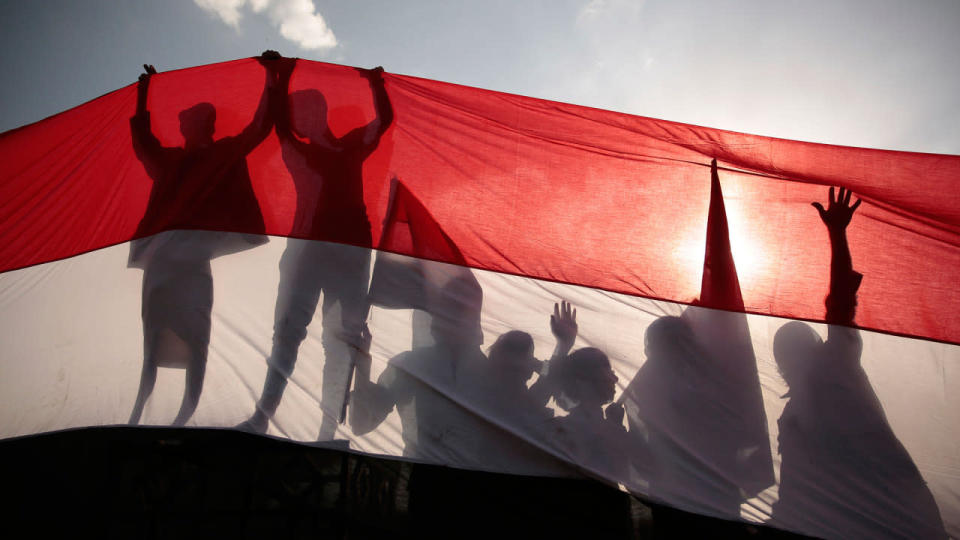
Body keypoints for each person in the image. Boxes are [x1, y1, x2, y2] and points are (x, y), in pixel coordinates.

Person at [771, 187, 947, 538]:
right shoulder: (793, 417)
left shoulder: (834, 371)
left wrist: (838, 234)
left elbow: (839, 302)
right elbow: (795, 484)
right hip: (856, 521)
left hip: (897, 512)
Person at [240, 60, 393, 439]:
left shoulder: (352, 145)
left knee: (341, 340)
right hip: (307, 251)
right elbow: (276, 123)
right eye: (297, 113)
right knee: (288, 332)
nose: (301, 118)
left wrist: (375, 82)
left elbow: (384, 120)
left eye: (308, 110)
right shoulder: (296, 149)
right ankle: (263, 416)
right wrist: (277, 75)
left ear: (321, 113)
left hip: (351, 252)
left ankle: (327, 428)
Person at [127, 51, 281, 426]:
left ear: (206, 125)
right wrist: (143, 91)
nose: (189, 127)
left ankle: (182, 419)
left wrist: (273, 78)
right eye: (188, 122)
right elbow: (142, 139)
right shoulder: (171, 162)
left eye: (196, 121)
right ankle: (136, 416)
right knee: (153, 344)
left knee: (197, 341)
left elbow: (261, 127)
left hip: (191, 265)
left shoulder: (223, 154)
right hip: (164, 265)